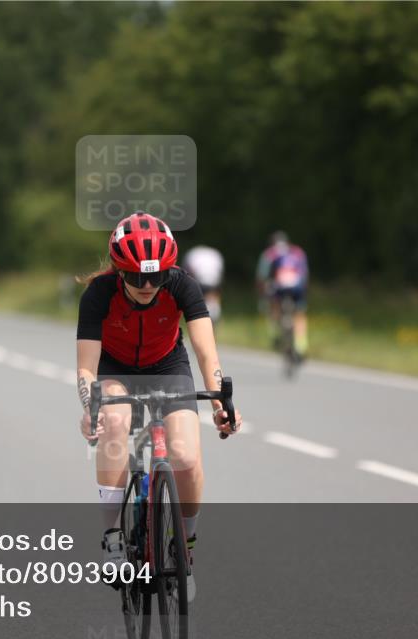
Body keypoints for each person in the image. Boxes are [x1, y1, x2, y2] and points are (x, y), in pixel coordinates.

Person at [76, 212, 243, 601]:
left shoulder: (183, 285)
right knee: (114, 423)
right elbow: (86, 366)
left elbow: (205, 349)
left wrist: (221, 400)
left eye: (157, 276)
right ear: (120, 272)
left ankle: (184, 548)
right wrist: (90, 407)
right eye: (137, 278)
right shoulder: (99, 294)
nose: (148, 285)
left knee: (186, 456)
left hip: (168, 364)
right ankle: (114, 537)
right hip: (115, 368)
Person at [256, 231, 309, 359]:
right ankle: (301, 345)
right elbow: (305, 273)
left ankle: (275, 334)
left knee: (273, 305)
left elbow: (262, 276)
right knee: (299, 314)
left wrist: (262, 295)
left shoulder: (270, 253)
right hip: (297, 286)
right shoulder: (298, 251)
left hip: (279, 286)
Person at [182, 244, 224, 326]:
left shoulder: (192, 253)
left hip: (198, 280)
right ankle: (211, 325)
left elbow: (185, 273)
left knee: (198, 306)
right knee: (212, 304)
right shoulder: (215, 254)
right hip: (213, 282)